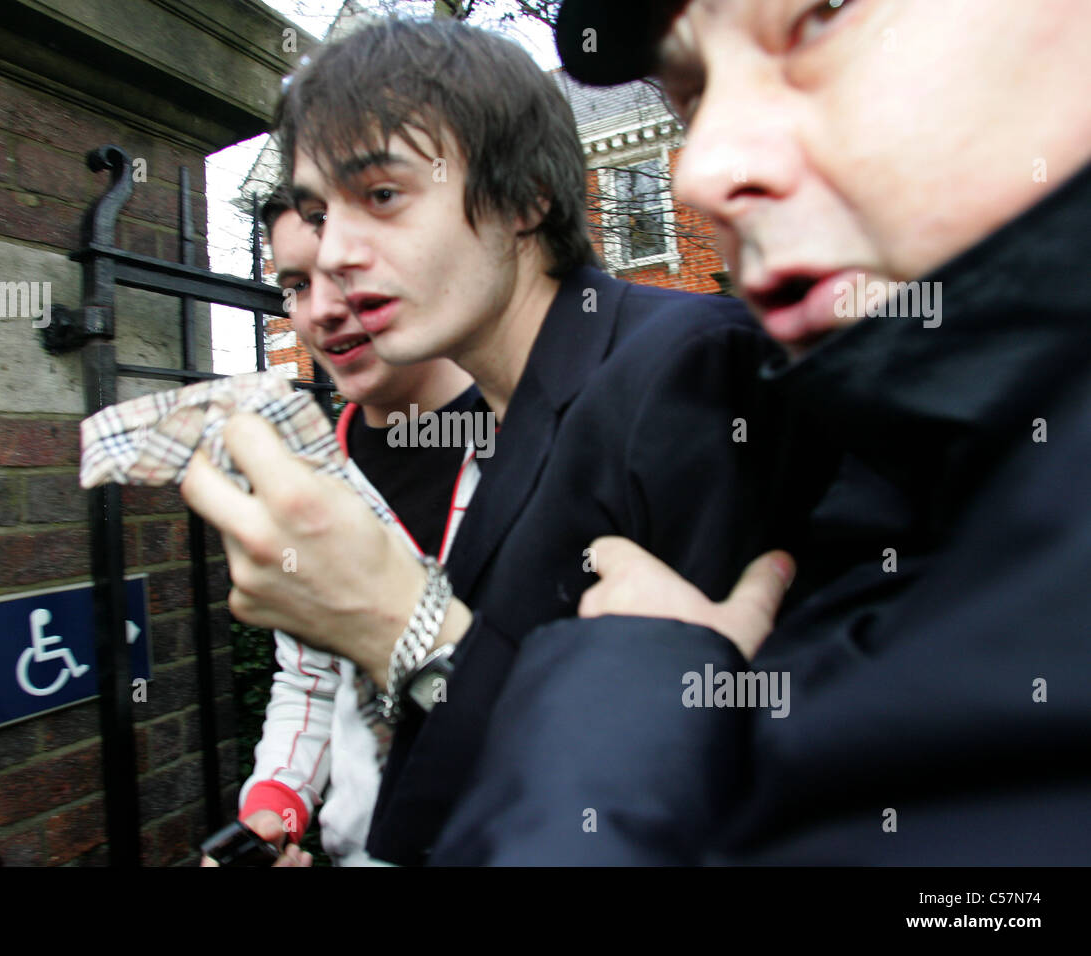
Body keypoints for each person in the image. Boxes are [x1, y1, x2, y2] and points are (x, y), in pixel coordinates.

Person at [426, 0, 1091, 864]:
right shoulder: (896, 467)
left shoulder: (693, 382)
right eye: (688, 96)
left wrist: (630, 694)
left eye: (820, 17)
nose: (698, 173)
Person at [181, 17, 797, 865]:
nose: (341, 254)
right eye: (324, 215)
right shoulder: (517, 414)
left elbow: (726, 790)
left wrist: (402, 631)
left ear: (525, 199)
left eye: (384, 196)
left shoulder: (686, 372)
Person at [212, 188, 475, 867]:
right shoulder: (308, 487)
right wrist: (273, 808)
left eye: (344, 271)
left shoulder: (549, 441)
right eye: (295, 284)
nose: (321, 309)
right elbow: (311, 679)